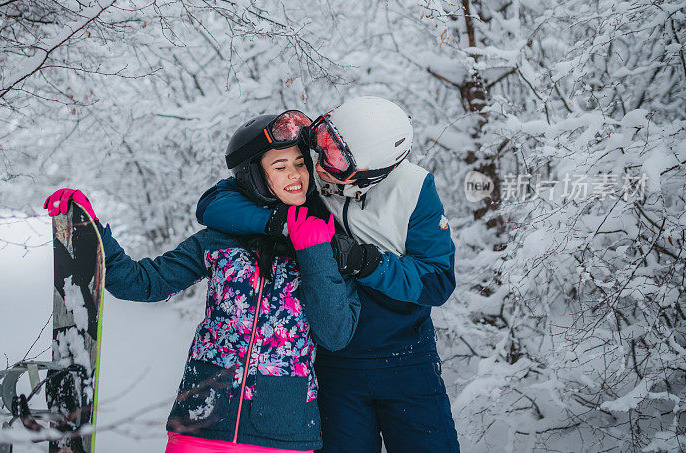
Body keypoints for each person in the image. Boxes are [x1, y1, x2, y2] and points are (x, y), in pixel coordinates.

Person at [44, 110, 361, 452]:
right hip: (202, 422)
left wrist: (313, 250)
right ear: (256, 176)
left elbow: (335, 334)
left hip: (283, 431)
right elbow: (142, 283)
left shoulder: (333, 244)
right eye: (280, 167)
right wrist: (92, 232)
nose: (295, 175)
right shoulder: (220, 240)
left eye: (300, 164)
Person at [195, 96, 459, 453]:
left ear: (369, 171)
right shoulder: (306, 172)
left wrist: (371, 264)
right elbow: (215, 202)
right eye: (324, 141)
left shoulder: (414, 190)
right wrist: (283, 224)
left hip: (406, 359)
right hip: (335, 362)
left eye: (336, 155)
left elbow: (437, 280)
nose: (321, 158)